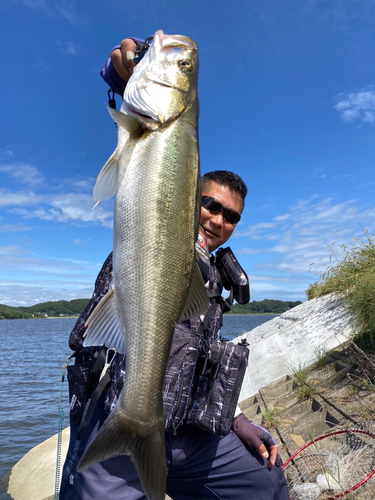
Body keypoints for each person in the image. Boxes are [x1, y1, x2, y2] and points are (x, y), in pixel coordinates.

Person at [59, 38, 290, 500]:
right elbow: (121, 82)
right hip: (119, 412)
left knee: (268, 485)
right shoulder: (162, 218)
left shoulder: (216, 280)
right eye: (208, 204)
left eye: (230, 216)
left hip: (189, 430)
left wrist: (238, 420)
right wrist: (121, 73)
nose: (217, 219)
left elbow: (200, 355)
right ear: (187, 198)